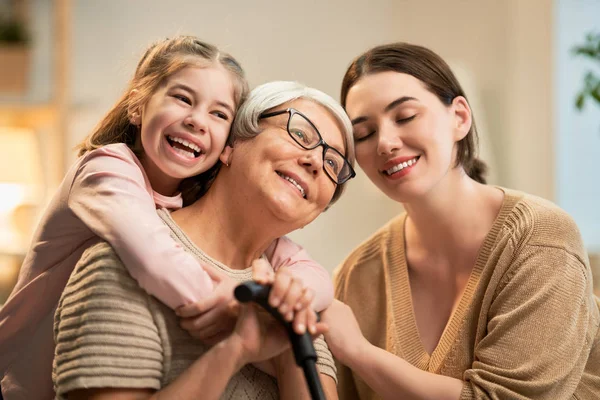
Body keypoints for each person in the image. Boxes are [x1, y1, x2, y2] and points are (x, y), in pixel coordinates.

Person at [0, 37, 335, 400]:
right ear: (137, 107)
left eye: (219, 113)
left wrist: (290, 304)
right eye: (182, 98)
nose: (196, 121)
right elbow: (155, 258)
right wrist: (246, 310)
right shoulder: (105, 170)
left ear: (227, 143)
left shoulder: (183, 200)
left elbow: (312, 275)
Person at [321, 42, 600, 400]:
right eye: (364, 134)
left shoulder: (542, 240)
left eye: (405, 116)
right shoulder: (356, 276)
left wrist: (359, 352)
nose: (386, 143)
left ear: (460, 118)